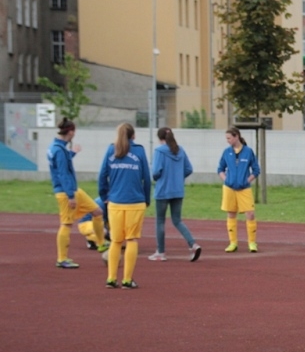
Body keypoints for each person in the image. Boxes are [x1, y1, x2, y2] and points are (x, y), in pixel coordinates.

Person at [47, 118, 108, 268]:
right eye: (74, 132)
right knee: (66, 224)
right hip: (66, 192)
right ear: (70, 132)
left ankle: (101, 243)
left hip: (73, 189)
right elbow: (62, 173)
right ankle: (62, 259)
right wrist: (70, 195)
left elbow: (61, 163)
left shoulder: (56, 147)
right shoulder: (59, 150)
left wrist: (72, 153)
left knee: (97, 212)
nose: (74, 135)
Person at [99, 122, 151, 289]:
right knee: (131, 240)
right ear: (133, 135)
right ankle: (127, 280)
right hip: (135, 202)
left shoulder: (111, 150)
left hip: (115, 202)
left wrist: (104, 196)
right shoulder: (139, 151)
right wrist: (147, 199)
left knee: (116, 241)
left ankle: (111, 278)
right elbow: (146, 178)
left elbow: (102, 176)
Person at [149, 127, 201, 262]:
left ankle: (161, 252)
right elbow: (189, 169)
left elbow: (156, 172)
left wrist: (158, 177)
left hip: (163, 190)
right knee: (177, 220)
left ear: (159, 138)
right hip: (178, 190)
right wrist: (178, 177)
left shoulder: (159, 151)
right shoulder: (180, 150)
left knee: (160, 221)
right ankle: (193, 244)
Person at [218, 127, 260, 253]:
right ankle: (233, 243)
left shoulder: (248, 151)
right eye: (226, 138)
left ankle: (252, 243)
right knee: (231, 213)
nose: (227, 141)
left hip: (244, 188)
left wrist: (247, 180)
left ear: (236, 136)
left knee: (250, 214)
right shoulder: (226, 152)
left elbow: (256, 170)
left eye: (229, 138)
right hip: (229, 188)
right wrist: (226, 180)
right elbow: (220, 169)